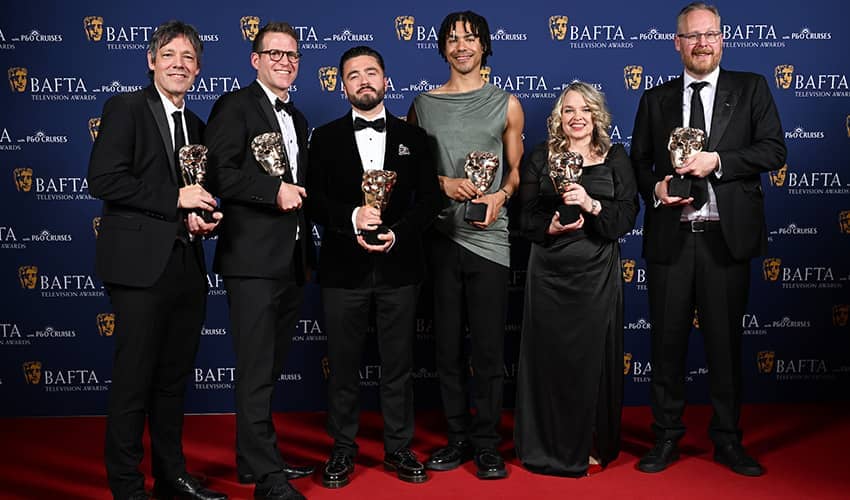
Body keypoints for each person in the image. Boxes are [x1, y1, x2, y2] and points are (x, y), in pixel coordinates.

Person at [630, 2, 786, 477]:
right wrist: (654, 188)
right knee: (667, 345)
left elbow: (775, 149)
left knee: (724, 345)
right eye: (691, 36)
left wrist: (716, 161)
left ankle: (727, 439)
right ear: (676, 43)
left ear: (722, 39)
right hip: (671, 239)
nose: (701, 43)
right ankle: (666, 437)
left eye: (710, 34)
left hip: (725, 238)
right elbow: (638, 161)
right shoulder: (655, 99)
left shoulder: (751, 88)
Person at [87, 20, 226, 500]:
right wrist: (176, 200)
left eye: (189, 58)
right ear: (151, 61)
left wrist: (199, 217)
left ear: (198, 69)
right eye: (169, 55)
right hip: (137, 267)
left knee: (172, 380)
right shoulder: (125, 108)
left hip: (186, 266)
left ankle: (172, 475)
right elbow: (104, 180)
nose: (179, 64)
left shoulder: (198, 126)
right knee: (134, 380)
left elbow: (194, 197)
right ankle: (127, 487)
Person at [306, 45, 442, 489]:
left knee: (398, 365)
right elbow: (314, 203)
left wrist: (397, 232)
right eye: (353, 75)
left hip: (399, 269)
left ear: (386, 80)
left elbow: (430, 201)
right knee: (342, 366)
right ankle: (343, 450)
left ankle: (398, 447)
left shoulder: (416, 139)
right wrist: (352, 219)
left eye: (371, 72)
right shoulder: (323, 139)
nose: (363, 81)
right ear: (341, 85)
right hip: (342, 271)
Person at [408, 10, 524, 480]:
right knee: (447, 346)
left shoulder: (507, 104)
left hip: (489, 240)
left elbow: (516, 170)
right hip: (439, 237)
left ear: (484, 47)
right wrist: (442, 182)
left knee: (490, 349)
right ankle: (457, 438)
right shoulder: (422, 105)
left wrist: (501, 194)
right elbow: (412, 172)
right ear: (442, 48)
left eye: (470, 39)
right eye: (452, 39)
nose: (461, 46)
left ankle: (487, 442)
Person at [205, 21, 315, 500]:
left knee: (267, 368)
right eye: (275, 54)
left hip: (291, 261)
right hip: (250, 261)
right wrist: (273, 191)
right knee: (254, 369)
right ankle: (266, 479)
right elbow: (218, 174)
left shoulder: (299, 118)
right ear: (255, 60)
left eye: (292, 55)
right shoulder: (235, 106)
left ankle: (255, 460)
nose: (285, 62)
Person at [515, 82, 638, 477]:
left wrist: (591, 203)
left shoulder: (615, 156)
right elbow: (525, 217)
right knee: (549, 360)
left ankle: (590, 440)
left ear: (597, 115)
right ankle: (547, 443)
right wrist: (549, 226)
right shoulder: (540, 156)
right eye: (568, 110)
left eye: (585, 109)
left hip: (596, 271)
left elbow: (626, 217)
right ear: (559, 118)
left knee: (591, 359)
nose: (577, 117)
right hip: (549, 271)